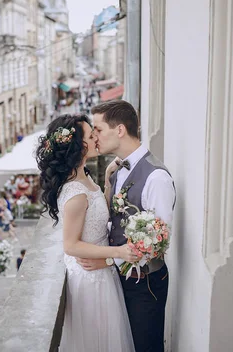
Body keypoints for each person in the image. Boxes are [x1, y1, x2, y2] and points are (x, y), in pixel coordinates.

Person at [77, 100, 176, 352]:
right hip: (119, 280)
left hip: (146, 284)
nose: (94, 137)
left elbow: (158, 243)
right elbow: (116, 222)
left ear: (119, 130)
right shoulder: (117, 170)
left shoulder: (157, 178)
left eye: (98, 129)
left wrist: (109, 261)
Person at [35, 114, 139, 351]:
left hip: (102, 272)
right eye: (91, 135)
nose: (96, 137)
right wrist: (118, 252)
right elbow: (71, 246)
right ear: (77, 147)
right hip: (89, 279)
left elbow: (95, 215)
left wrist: (108, 183)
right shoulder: (75, 193)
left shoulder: (85, 178)